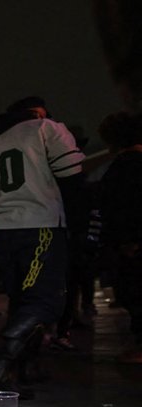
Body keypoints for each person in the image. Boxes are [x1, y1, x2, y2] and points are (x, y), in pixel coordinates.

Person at [0, 96, 86, 389]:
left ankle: (26, 365)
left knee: (21, 301)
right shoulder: (46, 128)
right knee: (45, 300)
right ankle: (0, 364)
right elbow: (72, 177)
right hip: (40, 225)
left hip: (1, 230)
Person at [97, 110, 142, 363]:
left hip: (132, 243)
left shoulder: (125, 167)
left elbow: (123, 207)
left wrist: (128, 240)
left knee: (134, 291)